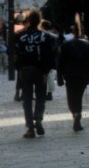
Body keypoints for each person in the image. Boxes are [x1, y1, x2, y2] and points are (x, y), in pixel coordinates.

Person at [13, 9, 57, 138]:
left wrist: (19, 68)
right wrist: (46, 71)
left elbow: (15, 53)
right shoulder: (47, 36)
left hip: (25, 69)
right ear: (39, 21)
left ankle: (30, 128)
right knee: (41, 97)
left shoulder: (19, 35)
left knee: (26, 98)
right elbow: (50, 55)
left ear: (28, 21)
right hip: (40, 70)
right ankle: (38, 118)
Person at [57, 23, 89, 132]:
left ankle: (75, 112)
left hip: (69, 75)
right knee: (79, 95)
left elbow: (60, 62)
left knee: (71, 96)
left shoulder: (66, 45)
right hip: (83, 75)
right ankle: (78, 113)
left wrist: (59, 78)